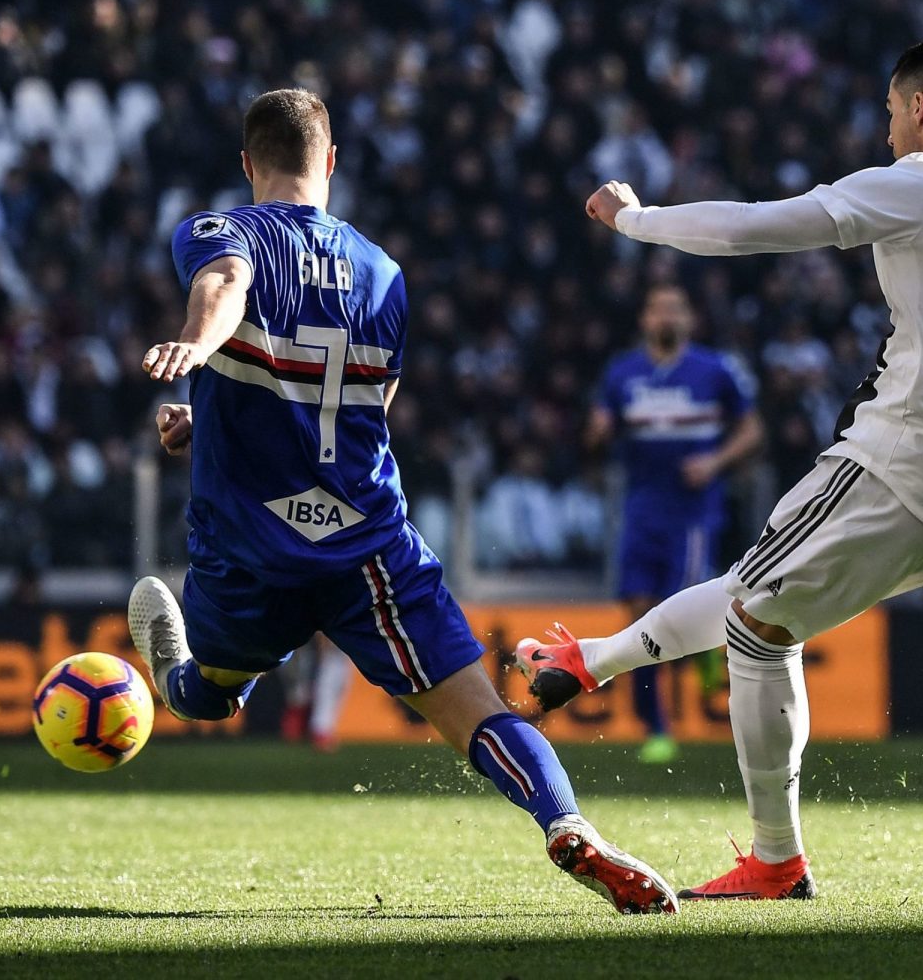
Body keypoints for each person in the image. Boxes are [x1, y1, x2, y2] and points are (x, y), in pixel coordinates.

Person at [518, 39, 923, 900]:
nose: (884, 138)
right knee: (761, 594)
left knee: (760, 623)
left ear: (918, 107)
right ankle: (592, 665)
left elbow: (753, 226)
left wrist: (635, 219)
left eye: (887, 115)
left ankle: (775, 859)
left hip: (903, 460)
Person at [127, 88, 677, 914]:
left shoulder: (223, 231)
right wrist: (212, 418)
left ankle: (168, 675)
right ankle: (565, 822)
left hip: (253, 547)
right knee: (481, 717)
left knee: (206, 694)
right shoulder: (385, 273)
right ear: (333, 162)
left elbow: (228, 282)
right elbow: (353, 413)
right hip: (368, 546)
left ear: (248, 164)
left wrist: (197, 349)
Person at [589, 284, 761, 763]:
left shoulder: (715, 371)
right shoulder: (623, 374)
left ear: (689, 320)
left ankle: (709, 649)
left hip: (692, 516)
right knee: (638, 618)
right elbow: (595, 437)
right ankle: (656, 729)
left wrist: (715, 462)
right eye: (658, 308)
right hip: (641, 511)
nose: (666, 317)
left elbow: (752, 430)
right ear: (645, 319)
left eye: (675, 309)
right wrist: (598, 435)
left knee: (677, 611)